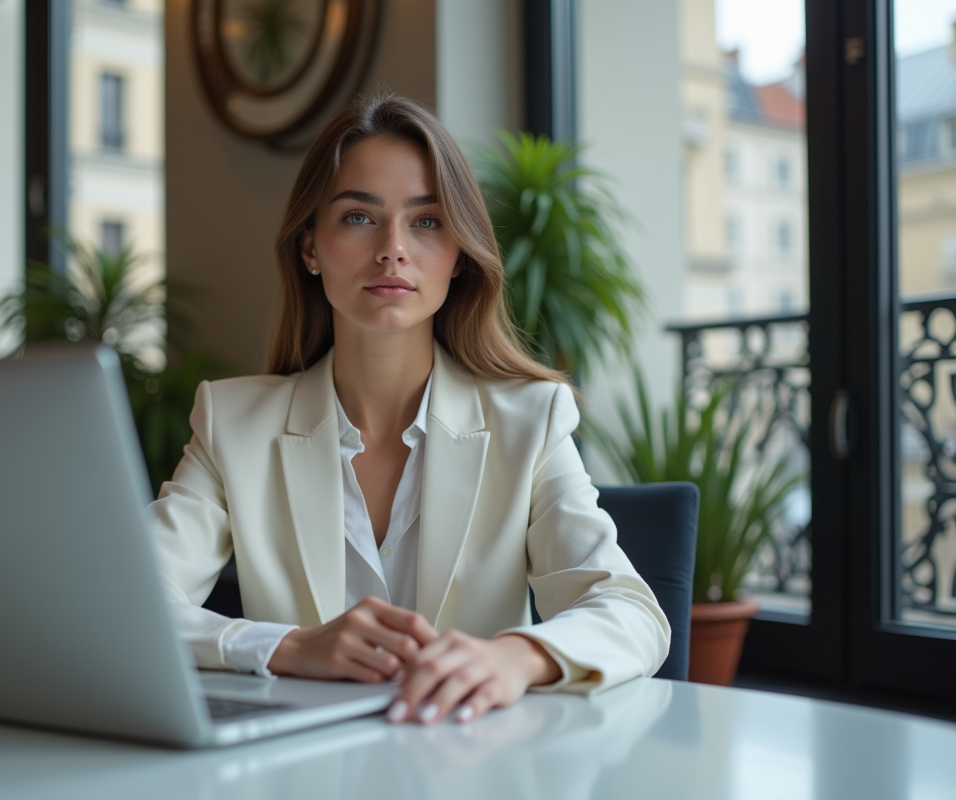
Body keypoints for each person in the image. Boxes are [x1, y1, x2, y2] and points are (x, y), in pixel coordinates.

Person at [151, 94, 670, 726]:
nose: (393, 249)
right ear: (310, 247)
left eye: (426, 222)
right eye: (358, 217)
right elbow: (127, 603)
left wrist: (516, 658)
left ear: (458, 257)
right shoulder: (233, 425)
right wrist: (285, 646)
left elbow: (630, 611)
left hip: (471, 767)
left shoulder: (530, 421)